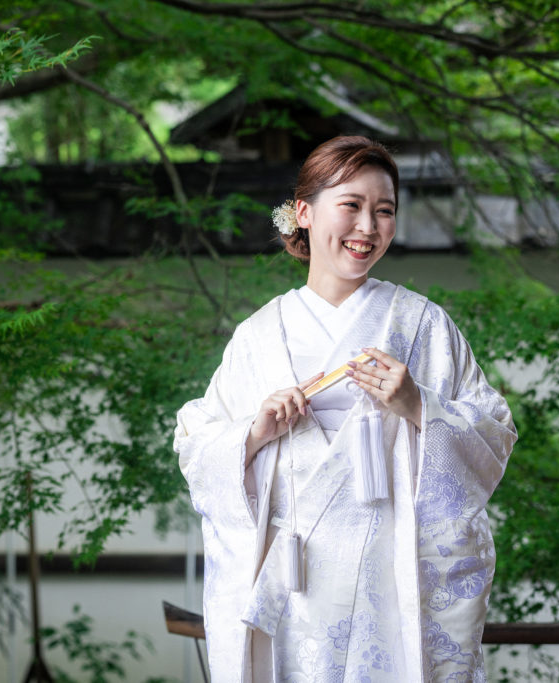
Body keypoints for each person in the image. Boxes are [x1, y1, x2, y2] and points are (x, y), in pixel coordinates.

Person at [174, 136, 516, 682]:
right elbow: (197, 444)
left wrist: (417, 404)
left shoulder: (421, 325)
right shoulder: (259, 337)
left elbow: (493, 432)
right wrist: (255, 432)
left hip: (392, 575)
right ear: (304, 212)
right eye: (351, 206)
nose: (368, 227)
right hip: (292, 581)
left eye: (384, 211)